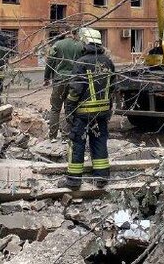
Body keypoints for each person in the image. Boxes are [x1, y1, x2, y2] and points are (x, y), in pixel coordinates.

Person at [62, 28, 115, 190]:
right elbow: (112, 87)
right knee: (99, 142)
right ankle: (101, 178)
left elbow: (75, 90)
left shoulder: (82, 62)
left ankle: (73, 181)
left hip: (83, 113)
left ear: (85, 42)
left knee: (77, 143)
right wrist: (108, 109)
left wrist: (69, 108)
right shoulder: (108, 62)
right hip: (102, 113)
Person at [44, 30, 85, 140]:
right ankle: (66, 136)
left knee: (55, 109)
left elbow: (50, 62)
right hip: (74, 81)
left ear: (63, 33)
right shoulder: (81, 45)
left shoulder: (57, 45)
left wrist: (46, 78)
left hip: (59, 80)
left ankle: (52, 136)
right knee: (70, 108)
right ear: (75, 33)